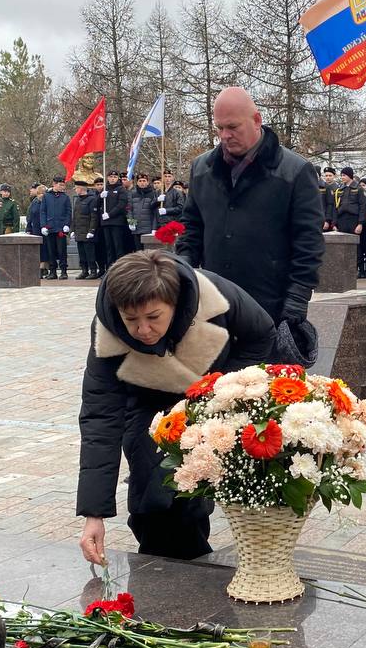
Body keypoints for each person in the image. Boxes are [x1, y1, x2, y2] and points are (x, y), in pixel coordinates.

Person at [77, 250, 276, 561]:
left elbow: (261, 334)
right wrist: (94, 514)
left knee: (188, 495)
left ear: (175, 302)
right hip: (145, 400)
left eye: (153, 317)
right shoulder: (106, 329)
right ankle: (170, 570)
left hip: (207, 393)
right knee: (152, 495)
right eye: (131, 320)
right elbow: (100, 416)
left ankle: (179, 572)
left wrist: (223, 387)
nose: (143, 330)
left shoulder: (214, 293)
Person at [177, 87, 324, 326]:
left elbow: (308, 241)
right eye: (219, 128)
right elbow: (192, 226)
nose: (225, 135)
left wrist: (298, 295)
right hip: (214, 303)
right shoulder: (202, 169)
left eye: (232, 127)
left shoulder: (295, 171)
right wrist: (183, 269)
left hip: (270, 304)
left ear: (257, 120)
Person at [40, 175, 73, 280]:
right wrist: (43, 225)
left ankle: (63, 271)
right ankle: (52, 271)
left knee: (62, 251)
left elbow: (68, 212)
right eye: (60, 185)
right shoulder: (46, 196)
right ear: (54, 184)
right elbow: (43, 212)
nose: (62, 187)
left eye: (63, 185)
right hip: (50, 227)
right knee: (51, 251)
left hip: (61, 228)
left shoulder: (65, 197)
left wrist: (67, 224)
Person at [99, 170, 131, 270]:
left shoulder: (121, 189)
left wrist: (110, 214)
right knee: (109, 247)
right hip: (106, 223)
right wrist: (100, 197)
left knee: (118, 246)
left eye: (115, 177)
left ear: (117, 178)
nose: (112, 179)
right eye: (111, 177)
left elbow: (121, 205)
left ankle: (120, 268)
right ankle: (109, 268)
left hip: (117, 222)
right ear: (108, 178)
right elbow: (97, 204)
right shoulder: (105, 189)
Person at [72, 176, 101, 279]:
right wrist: (73, 230)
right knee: (82, 253)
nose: (75, 190)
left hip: (87, 231)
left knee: (90, 253)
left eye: (76, 188)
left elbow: (94, 216)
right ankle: (84, 271)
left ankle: (93, 271)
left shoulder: (92, 199)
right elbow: (75, 216)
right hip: (79, 231)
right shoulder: (78, 200)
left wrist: (91, 230)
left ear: (81, 188)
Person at [332, 166, 366, 238]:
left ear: (349, 176)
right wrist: (334, 223)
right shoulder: (339, 190)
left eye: (344, 175)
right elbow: (335, 207)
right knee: (342, 242)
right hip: (342, 220)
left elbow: (363, 207)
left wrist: (360, 224)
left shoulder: (359, 189)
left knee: (354, 243)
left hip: (354, 220)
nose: (342, 177)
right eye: (341, 175)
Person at [129, 172, 158, 247]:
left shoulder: (153, 194)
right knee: (138, 250)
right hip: (136, 227)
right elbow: (129, 209)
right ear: (137, 182)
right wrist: (131, 222)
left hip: (148, 228)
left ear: (148, 182)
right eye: (140, 181)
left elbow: (155, 212)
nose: (142, 183)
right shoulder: (132, 193)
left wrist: (154, 228)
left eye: (144, 181)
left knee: (148, 251)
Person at [26, 183, 48, 278]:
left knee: (45, 249)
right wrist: (28, 228)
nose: (41, 195)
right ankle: (41, 268)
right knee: (38, 249)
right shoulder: (34, 202)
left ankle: (43, 268)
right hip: (36, 229)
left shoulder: (47, 202)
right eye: (39, 193)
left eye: (42, 193)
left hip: (45, 229)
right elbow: (30, 216)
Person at [320, 165, 337, 230]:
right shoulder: (322, 187)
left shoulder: (338, 189)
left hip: (334, 219)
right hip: (324, 218)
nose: (328, 178)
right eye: (326, 176)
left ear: (334, 176)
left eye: (330, 176)